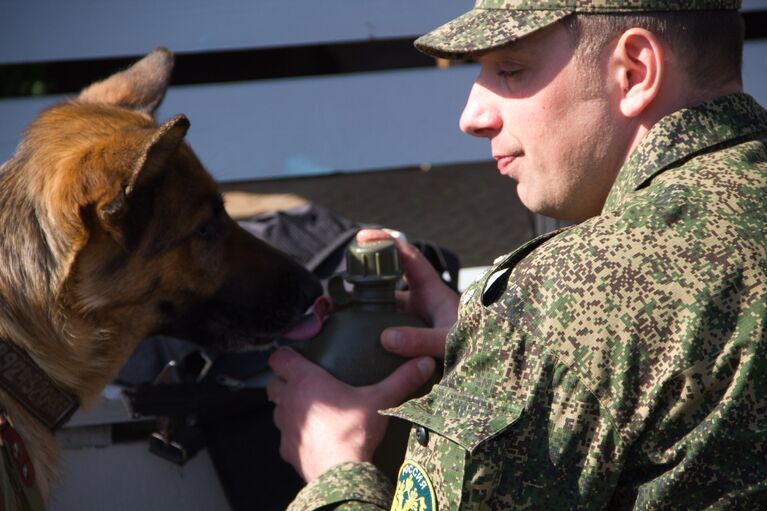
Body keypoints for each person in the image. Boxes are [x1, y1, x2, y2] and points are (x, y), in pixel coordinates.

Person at [267, 0, 767, 508]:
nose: (472, 117)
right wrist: (488, 346)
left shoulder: (564, 294)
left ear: (634, 71)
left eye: (511, 69)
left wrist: (334, 471)